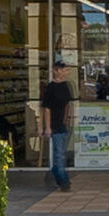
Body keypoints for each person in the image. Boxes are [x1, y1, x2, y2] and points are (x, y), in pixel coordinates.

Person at [40, 58, 74, 191]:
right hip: (54, 125)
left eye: (67, 70)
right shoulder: (50, 88)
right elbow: (46, 109)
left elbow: (67, 104)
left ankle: (55, 171)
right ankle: (64, 182)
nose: (66, 73)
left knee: (61, 153)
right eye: (64, 70)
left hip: (64, 124)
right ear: (56, 71)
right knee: (60, 154)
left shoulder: (66, 85)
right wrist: (47, 127)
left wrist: (68, 119)